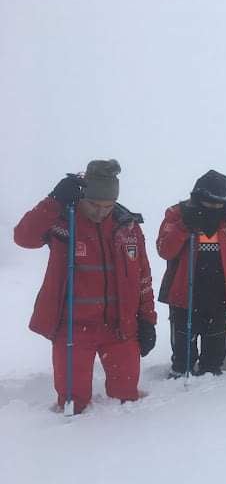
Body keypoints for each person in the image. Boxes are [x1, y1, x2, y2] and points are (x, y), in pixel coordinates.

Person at [14, 160, 157, 414]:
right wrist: (54, 200)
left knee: (126, 399)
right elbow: (23, 237)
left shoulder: (129, 227)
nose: (102, 212)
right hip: (72, 329)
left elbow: (143, 277)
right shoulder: (63, 221)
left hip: (120, 328)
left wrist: (147, 320)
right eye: (94, 204)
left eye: (108, 206)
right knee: (73, 402)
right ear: (82, 197)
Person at [156, 170, 226, 377]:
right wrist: (184, 226)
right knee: (183, 343)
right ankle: (181, 370)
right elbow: (165, 250)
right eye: (209, 202)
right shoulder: (177, 214)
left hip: (219, 291)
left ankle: (210, 371)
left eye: (218, 203)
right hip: (185, 291)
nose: (214, 208)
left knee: (216, 343)